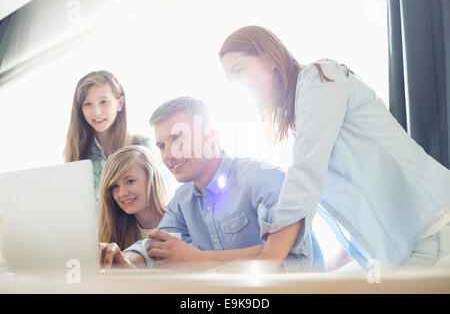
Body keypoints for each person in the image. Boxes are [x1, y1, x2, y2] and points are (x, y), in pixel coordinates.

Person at [218, 25, 450, 271]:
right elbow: (357, 203)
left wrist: (269, 259)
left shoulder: (319, 79)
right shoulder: (304, 119)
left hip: (432, 226)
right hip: (405, 243)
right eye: (231, 79)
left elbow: (304, 178)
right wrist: (332, 267)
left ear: (268, 57)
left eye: (239, 70)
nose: (237, 83)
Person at [99, 97, 326, 272]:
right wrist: (120, 258)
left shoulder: (262, 178)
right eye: (161, 145)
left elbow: (288, 258)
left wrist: (196, 259)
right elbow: (151, 248)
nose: (169, 155)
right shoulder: (183, 200)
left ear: (211, 136)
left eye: (178, 138)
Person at [64, 70, 162, 208]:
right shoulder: (74, 153)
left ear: (120, 103)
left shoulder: (144, 147)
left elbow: (163, 200)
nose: (96, 111)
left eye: (103, 102)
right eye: (87, 104)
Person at [98, 145, 168, 264]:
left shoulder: (180, 222)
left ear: (152, 178)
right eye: (115, 186)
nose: (122, 193)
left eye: (130, 181)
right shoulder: (116, 231)